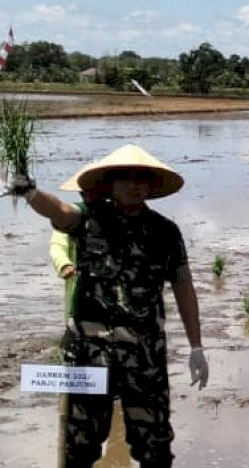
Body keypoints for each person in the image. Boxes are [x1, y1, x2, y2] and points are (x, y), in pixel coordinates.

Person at [6, 144, 208, 467]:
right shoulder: (88, 219)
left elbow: (184, 287)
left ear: (151, 185)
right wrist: (30, 192)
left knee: (154, 449)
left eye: (140, 178)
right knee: (80, 447)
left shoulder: (166, 232)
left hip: (145, 358)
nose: (133, 185)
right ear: (110, 184)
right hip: (89, 356)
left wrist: (197, 346)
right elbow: (58, 210)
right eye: (124, 178)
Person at [49, 161, 102, 320]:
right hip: (79, 283)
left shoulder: (118, 216)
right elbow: (57, 245)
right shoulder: (73, 217)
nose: (89, 193)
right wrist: (64, 264)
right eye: (85, 190)